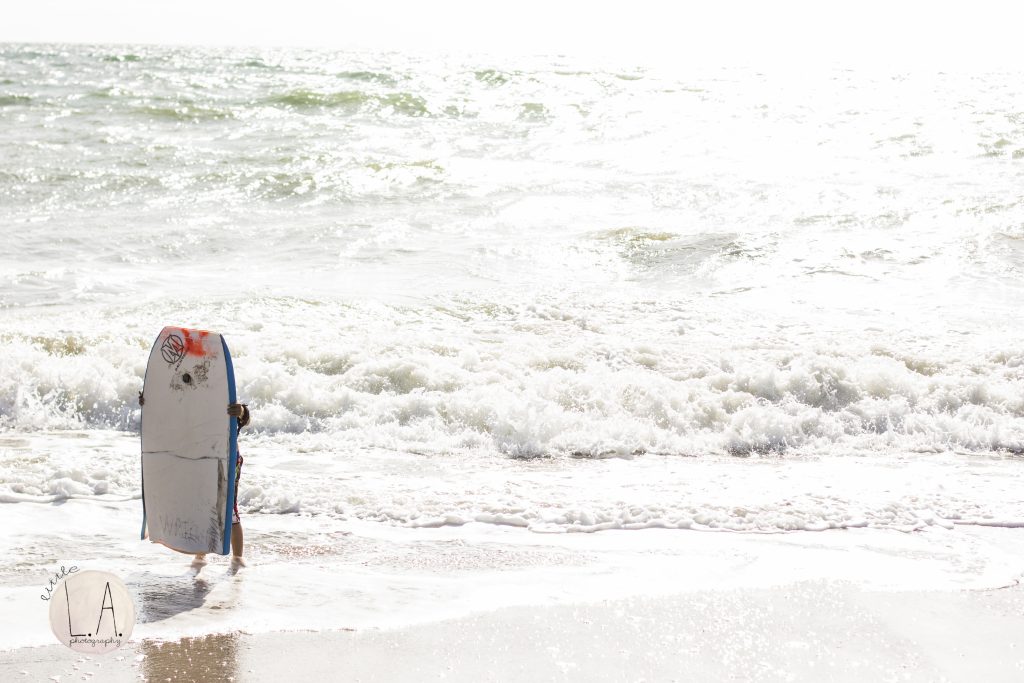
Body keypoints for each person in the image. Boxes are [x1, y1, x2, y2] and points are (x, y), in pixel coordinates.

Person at [139, 393, 250, 562]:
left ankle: (238, 560)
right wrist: (149, 402)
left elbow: (245, 418)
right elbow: (166, 410)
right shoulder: (189, 391)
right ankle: (200, 554)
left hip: (227, 459)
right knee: (200, 505)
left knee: (230, 509)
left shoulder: (218, 387)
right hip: (198, 458)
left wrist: (241, 411)